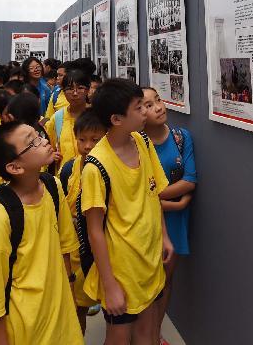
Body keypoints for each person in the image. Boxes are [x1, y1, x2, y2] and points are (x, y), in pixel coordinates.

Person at [0, 122, 83, 344]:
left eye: (38, 135)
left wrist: (69, 295)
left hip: (59, 316)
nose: (44, 141)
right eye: (33, 142)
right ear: (15, 167)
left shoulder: (52, 186)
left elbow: (65, 246)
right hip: (22, 327)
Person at [80, 78, 172, 344]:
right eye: (139, 107)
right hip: (122, 270)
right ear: (117, 119)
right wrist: (110, 285)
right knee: (119, 337)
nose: (146, 112)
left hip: (149, 259)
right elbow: (94, 230)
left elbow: (152, 193)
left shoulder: (141, 141)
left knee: (148, 332)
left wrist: (164, 236)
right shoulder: (96, 166)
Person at [141, 88, 197, 339]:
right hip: (144, 224)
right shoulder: (135, 144)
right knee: (144, 284)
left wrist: (153, 198)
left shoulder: (181, 138)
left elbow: (189, 181)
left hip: (173, 224)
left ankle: (154, 334)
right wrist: (170, 203)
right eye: (148, 105)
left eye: (158, 100)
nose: (158, 107)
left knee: (164, 283)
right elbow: (132, 194)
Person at [58, 110, 106, 333]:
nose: (88, 146)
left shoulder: (107, 169)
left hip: (106, 248)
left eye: (95, 140)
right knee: (77, 307)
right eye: (82, 140)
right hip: (77, 251)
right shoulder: (69, 169)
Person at [44, 66, 91, 174]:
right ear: (63, 91)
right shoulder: (57, 118)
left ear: (88, 90)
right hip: (64, 178)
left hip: (93, 175)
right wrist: (51, 155)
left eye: (80, 88)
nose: (75, 93)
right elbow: (47, 146)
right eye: (69, 89)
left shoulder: (97, 116)